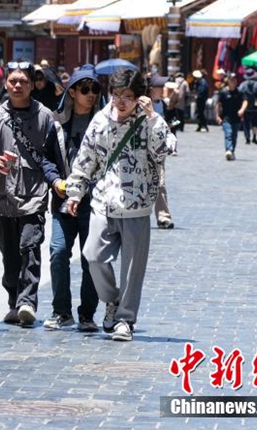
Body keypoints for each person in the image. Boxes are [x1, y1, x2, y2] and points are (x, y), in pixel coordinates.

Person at [63, 69, 175, 342]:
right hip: (104, 200)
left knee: (133, 268)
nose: (121, 102)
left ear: (140, 97)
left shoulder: (149, 120)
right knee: (92, 256)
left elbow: (165, 149)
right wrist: (75, 193)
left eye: (128, 96)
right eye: (116, 96)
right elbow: (86, 158)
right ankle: (112, 300)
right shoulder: (100, 120)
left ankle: (125, 319)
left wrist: (151, 117)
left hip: (137, 205)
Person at [0, 62, 61, 328]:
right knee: (9, 256)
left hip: (33, 194)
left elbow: (53, 155)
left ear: (32, 84)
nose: (18, 86)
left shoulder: (45, 116)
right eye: (13, 81)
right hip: (2, 197)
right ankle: (13, 301)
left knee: (30, 247)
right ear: (6, 83)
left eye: (23, 82)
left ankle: (27, 302)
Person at [44, 65, 102, 332]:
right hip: (63, 201)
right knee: (58, 252)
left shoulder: (104, 125)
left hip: (94, 203)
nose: (91, 95)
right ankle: (61, 311)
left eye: (95, 90)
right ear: (73, 92)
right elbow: (45, 159)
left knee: (91, 258)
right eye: (86, 89)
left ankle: (87, 314)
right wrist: (55, 181)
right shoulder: (57, 123)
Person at [148, 76, 174, 229]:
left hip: (159, 150)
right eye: (160, 87)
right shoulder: (141, 104)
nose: (163, 89)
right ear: (152, 89)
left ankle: (163, 216)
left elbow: (167, 125)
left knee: (160, 183)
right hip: (143, 150)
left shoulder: (162, 104)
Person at [216, 73, 247, 161]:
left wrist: (242, 110)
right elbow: (218, 104)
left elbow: (245, 101)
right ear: (228, 81)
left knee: (234, 135)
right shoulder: (223, 92)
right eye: (231, 80)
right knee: (228, 133)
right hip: (226, 118)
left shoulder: (240, 92)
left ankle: (232, 151)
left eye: (235, 80)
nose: (233, 81)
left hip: (236, 118)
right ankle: (228, 150)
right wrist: (217, 116)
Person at [239, 68, 257, 145]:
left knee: (246, 123)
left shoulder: (243, 84)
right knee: (255, 123)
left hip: (246, 106)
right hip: (255, 107)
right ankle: (254, 137)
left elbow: (240, 94)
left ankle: (247, 138)